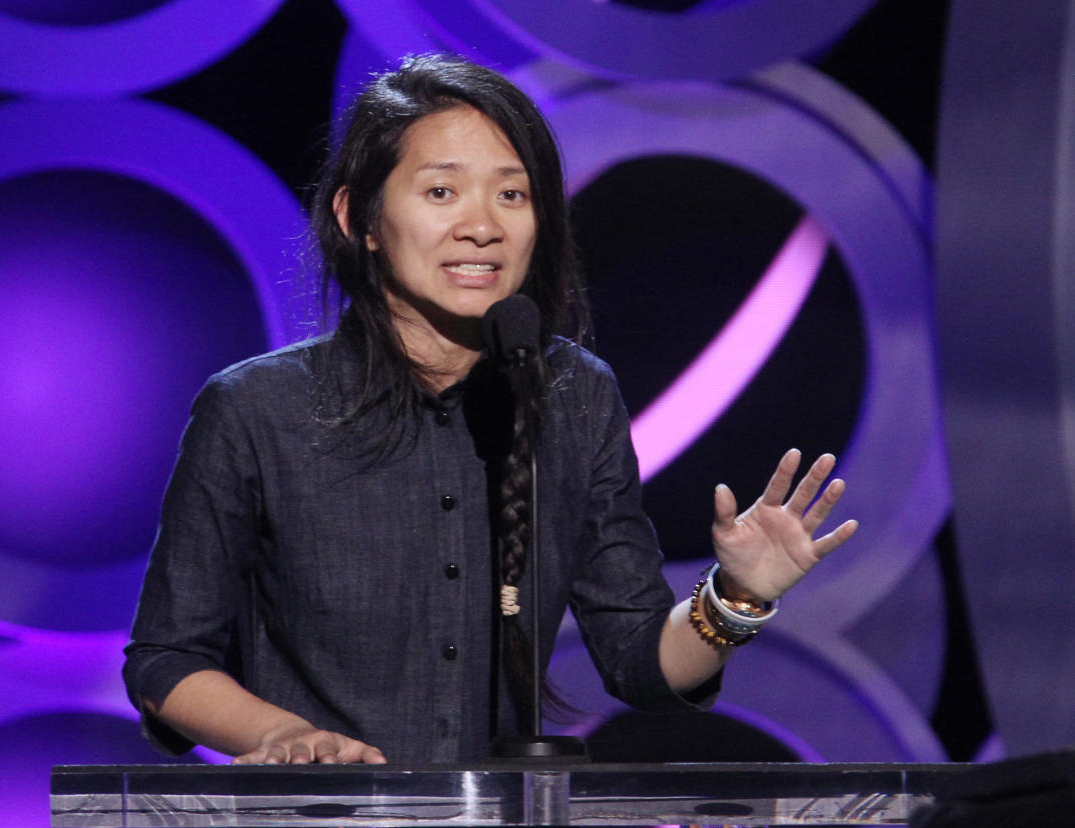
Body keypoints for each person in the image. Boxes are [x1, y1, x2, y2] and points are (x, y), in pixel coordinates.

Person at [122, 53, 857, 766]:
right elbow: (165, 661)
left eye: (512, 194)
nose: (484, 226)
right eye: (442, 192)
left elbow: (639, 660)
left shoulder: (573, 394)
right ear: (360, 217)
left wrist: (735, 598)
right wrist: (284, 736)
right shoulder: (257, 410)